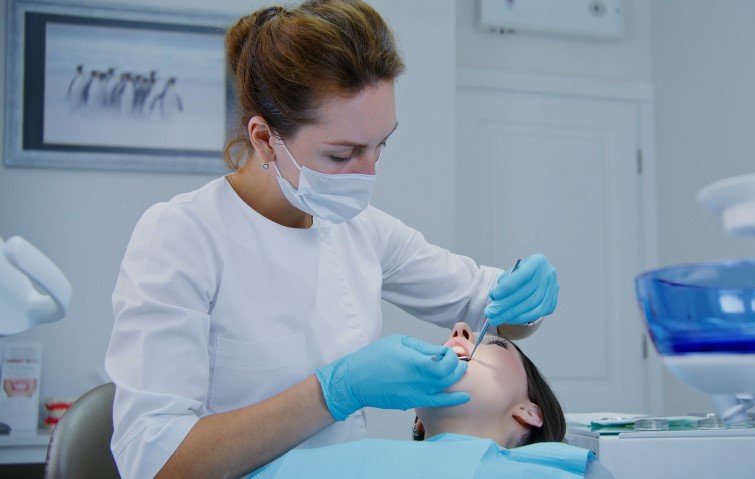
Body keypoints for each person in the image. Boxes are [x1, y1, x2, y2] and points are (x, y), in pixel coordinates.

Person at [104, 1, 560, 477]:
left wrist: (529, 300)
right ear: (263, 139)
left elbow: (491, 312)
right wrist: (334, 392)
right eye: (343, 154)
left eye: (381, 144)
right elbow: (153, 461)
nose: (368, 173)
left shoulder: (361, 230)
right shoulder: (181, 237)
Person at [249, 323, 614, 478]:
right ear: (418, 421)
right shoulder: (303, 466)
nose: (459, 331)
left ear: (529, 412)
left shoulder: (554, 469)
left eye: (497, 342)